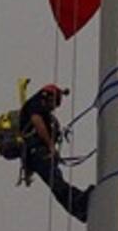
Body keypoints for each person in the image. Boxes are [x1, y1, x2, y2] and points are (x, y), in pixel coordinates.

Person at [20, 84, 93, 223]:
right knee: (56, 182)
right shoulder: (36, 104)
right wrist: (51, 146)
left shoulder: (40, 110)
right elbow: (37, 123)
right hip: (38, 152)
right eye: (55, 102)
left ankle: (79, 208)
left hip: (36, 153)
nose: (54, 108)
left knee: (55, 183)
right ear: (47, 96)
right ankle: (79, 202)